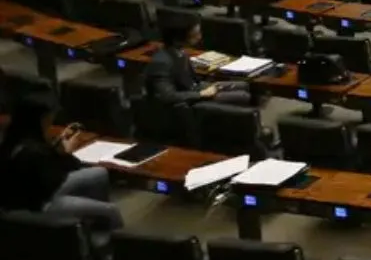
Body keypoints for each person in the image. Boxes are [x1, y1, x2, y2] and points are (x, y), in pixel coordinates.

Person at [0, 96, 125, 241]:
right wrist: (65, 154)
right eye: (47, 120)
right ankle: (108, 245)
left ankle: (92, 227)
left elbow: (45, 170)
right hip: (39, 204)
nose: (49, 124)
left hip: (30, 193)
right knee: (111, 210)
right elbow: (57, 177)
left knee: (99, 172)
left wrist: (56, 152)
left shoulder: (14, 140)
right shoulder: (32, 151)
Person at [144, 21, 251, 106]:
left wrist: (209, 86)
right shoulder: (161, 62)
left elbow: (191, 80)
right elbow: (168, 97)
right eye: (195, 35)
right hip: (187, 101)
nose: (199, 37)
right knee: (243, 96)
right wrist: (201, 94)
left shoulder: (180, 50)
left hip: (196, 87)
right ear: (177, 39)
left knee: (245, 85)